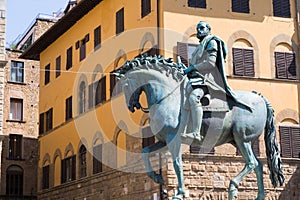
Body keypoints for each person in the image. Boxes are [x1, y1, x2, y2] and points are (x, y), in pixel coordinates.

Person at [181, 21, 250, 142]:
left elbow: (210, 63)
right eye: (197, 29)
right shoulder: (200, 46)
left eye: (202, 28)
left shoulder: (211, 42)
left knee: (193, 98)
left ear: (208, 29)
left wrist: (192, 68)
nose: (199, 31)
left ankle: (196, 132)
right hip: (196, 79)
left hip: (207, 80)